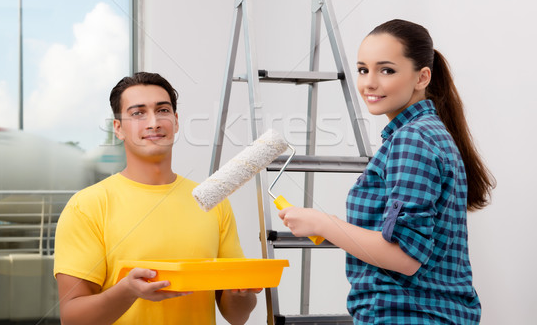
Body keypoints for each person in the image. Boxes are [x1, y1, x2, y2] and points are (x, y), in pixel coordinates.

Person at [279, 19, 495, 324]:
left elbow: (404, 258)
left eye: (387, 70)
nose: (369, 82)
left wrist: (323, 223)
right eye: (363, 69)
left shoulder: (413, 139)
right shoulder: (421, 134)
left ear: (422, 78)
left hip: (409, 316)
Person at [54, 72, 259, 325]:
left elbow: (236, 316)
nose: (153, 122)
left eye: (162, 110)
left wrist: (242, 292)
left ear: (176, 121)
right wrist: (127, 291)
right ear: (118, 128)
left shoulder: (212, 201)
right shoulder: (87, 206)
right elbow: (72, 318)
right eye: (138, 113)